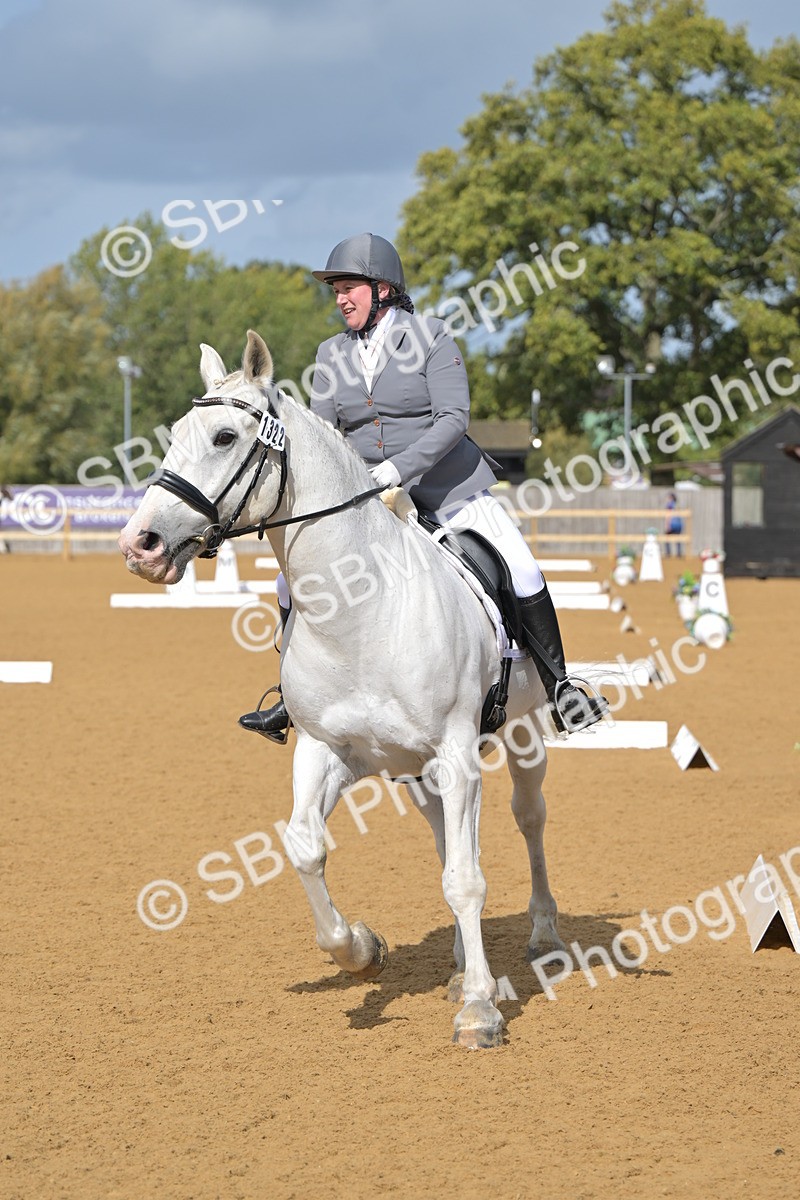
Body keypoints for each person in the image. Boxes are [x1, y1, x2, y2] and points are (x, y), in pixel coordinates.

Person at [239, 233, 608, 741]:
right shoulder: (330, 353)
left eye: (349, 288)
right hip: (367, 499)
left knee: (521, 567)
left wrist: (399, 469)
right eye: (336, 290)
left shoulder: (431, 337)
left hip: (448, 487)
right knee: (289, 583)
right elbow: (323, 435)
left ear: (382, 289)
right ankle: (291, 696)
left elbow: (453, 418)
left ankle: (561, 688)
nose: (341, 299)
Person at [664, 491, 684, 557]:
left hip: (672, 524)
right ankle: (679, 553)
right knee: (677, 539)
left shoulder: (669, 505)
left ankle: (668, 553)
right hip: (679, 525)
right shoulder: (677, 505)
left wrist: (667, 525)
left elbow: (668, 515)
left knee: (666, 538)